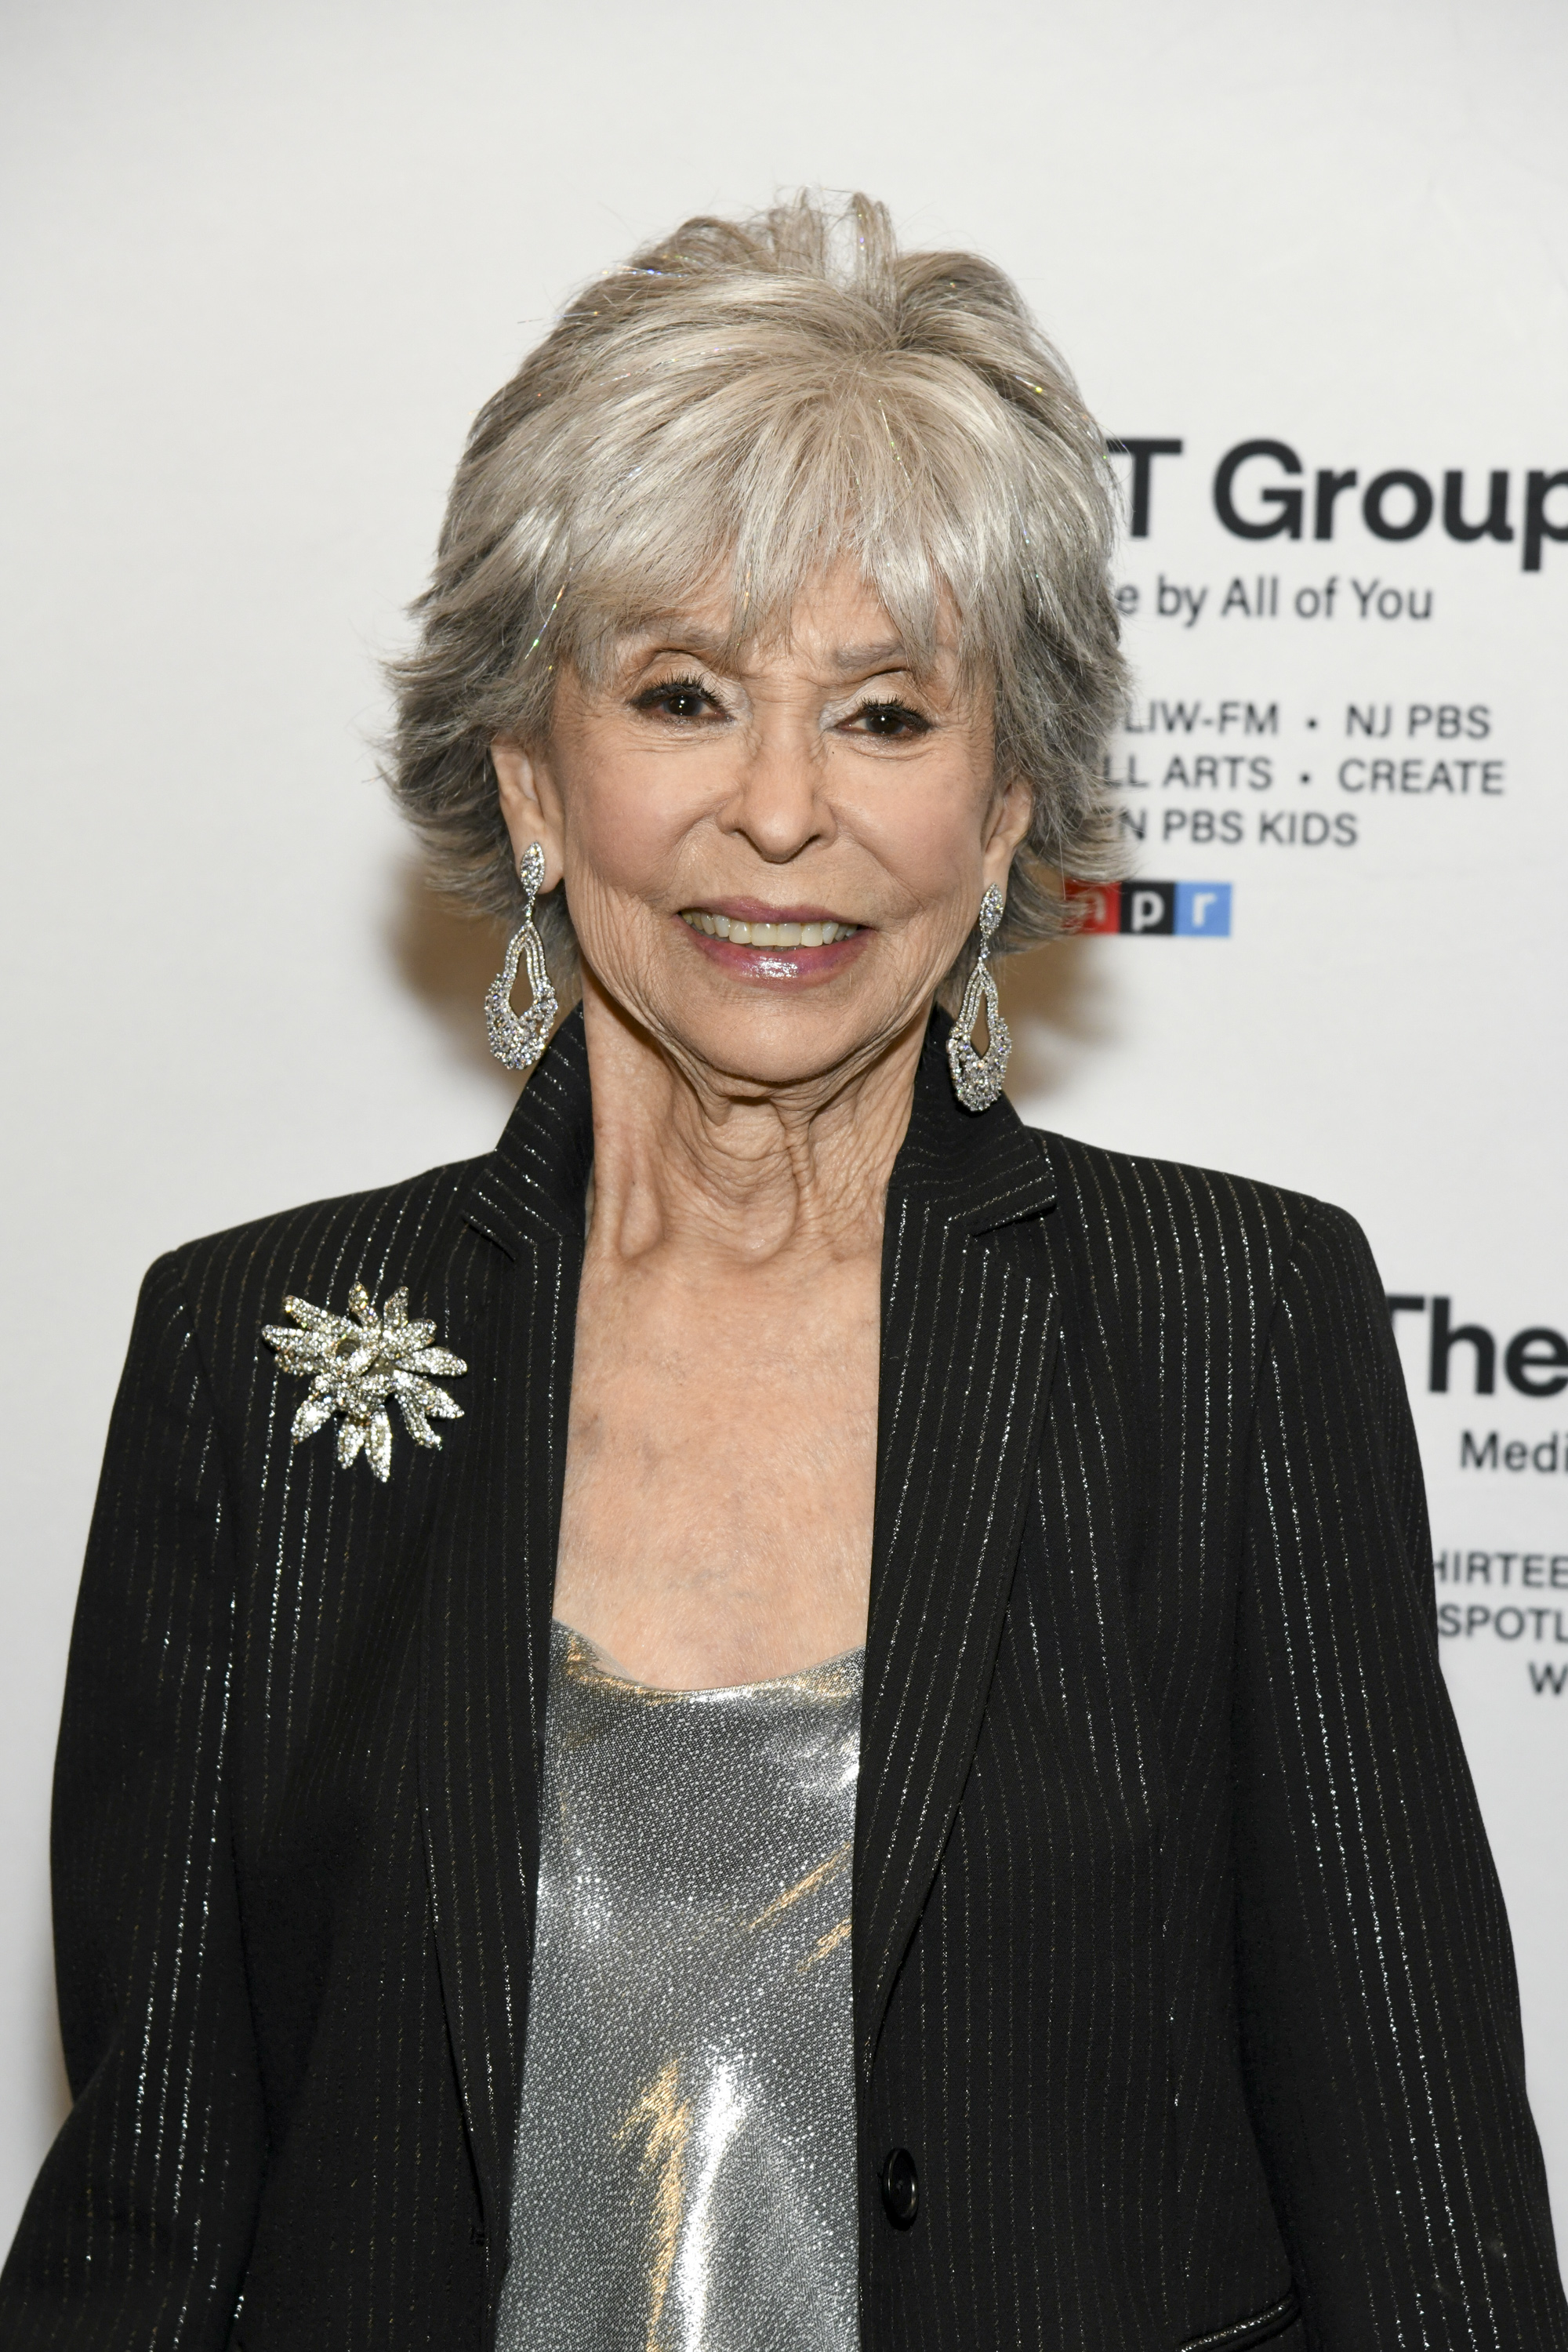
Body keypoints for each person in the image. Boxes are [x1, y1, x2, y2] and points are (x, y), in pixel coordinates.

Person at [2, 192, 1563, 2352]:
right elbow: (147, 2234)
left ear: (1008, 807)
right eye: (685, 693)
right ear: (534, 779)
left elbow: (1430, 2218)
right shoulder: (244, 1364)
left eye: (888, 717)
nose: (779, 813)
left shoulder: (1233, 1329)